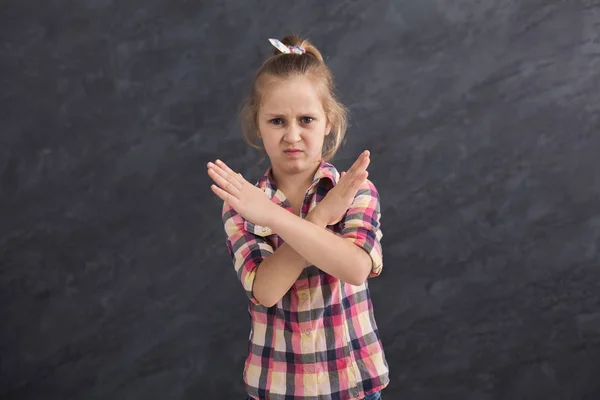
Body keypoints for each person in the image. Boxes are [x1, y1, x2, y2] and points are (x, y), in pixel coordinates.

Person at [206, 35, 389, 400]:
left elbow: (354, 268)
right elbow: (267, 291)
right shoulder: (242, 203)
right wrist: (319, 217)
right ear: (258, 126)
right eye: (277, 121)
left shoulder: (354, 191)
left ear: (329, 123)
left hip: (353, 384)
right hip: (277, 387)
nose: (292, 135)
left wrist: (275, 217)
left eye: (306, 119)